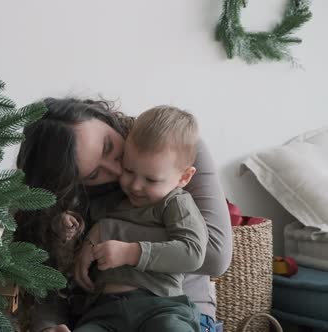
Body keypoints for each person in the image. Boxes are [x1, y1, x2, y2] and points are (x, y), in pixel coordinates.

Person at [15, 98, 232, 332]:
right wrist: (47, 327)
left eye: (108, 147)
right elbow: (47, 281)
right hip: (103, 315)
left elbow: (214, 255)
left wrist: (106, 231)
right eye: (94, 174)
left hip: (174, 312)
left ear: (102, 116)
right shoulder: (68, 205)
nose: (119, 171)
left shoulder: (174, 144)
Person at [67, 105, 207, 331]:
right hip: (104, 312)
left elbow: (193, 253)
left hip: (161, 306)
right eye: (129, 170)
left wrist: (130, 252)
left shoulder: (174, 203)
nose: (135, 186)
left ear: (184, 177)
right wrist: (75, 233)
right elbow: (76, 229)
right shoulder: (109, 200)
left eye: (151, 180)